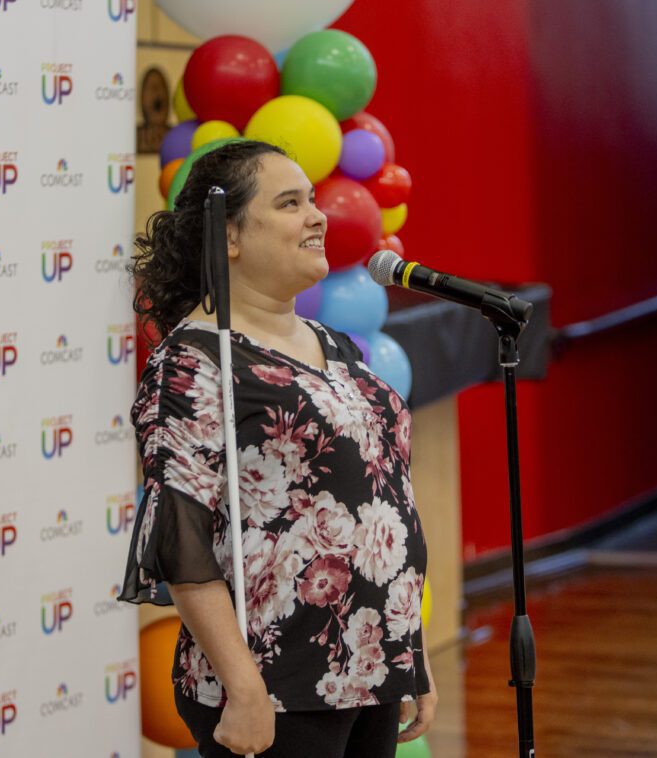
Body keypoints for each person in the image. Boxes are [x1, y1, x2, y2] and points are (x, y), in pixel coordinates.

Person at [119, 140, 437, 757]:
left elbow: (383, 503)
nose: (317, 216)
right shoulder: (193, 363)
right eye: (290, 203)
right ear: (229, 236)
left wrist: (410, 649)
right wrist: (243, 688)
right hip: (275, 683)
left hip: (367, 664)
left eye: (313, 200)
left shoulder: (335, 346)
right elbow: (183, 543)